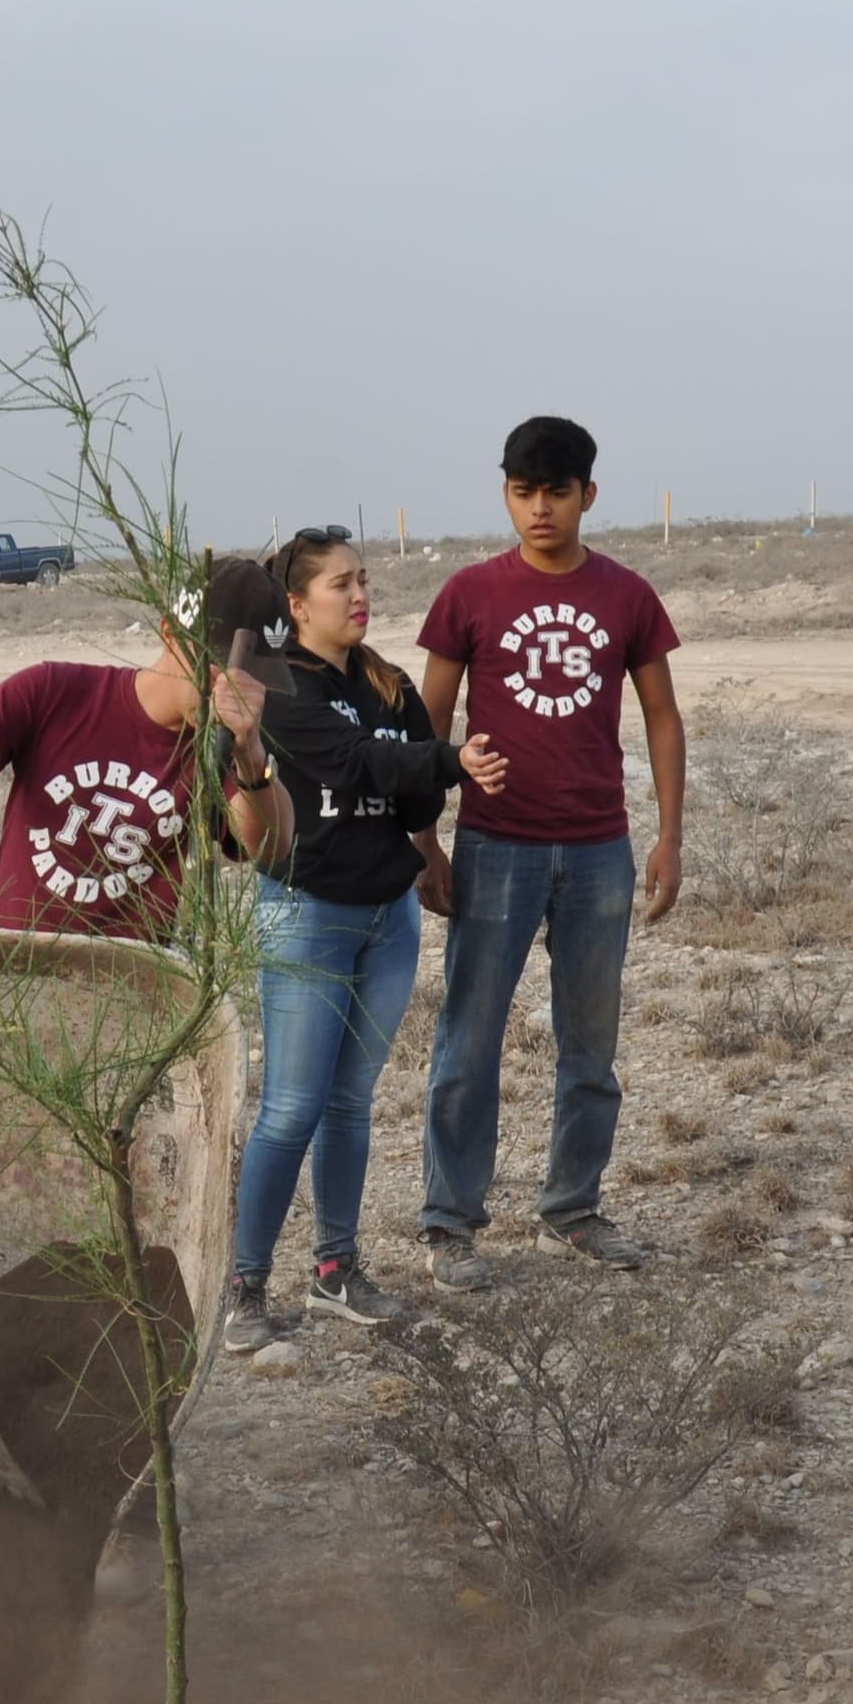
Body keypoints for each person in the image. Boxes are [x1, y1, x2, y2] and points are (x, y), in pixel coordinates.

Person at [413, 413, 687, 1286]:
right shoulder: (467, 595)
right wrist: (424, 839)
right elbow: (430, 725)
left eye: (557, 493)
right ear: (506, 494)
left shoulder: (628, 597)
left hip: (600, 848)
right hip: (496, 847)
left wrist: (670, 835)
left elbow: (661, 715)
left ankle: (572, 1209)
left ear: (588, 497)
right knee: (468, 1042)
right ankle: (450, 1224)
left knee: (591, 1045)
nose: (540, 510)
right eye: (524, 492)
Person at [217, 535, 507, 1352]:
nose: (359, 594)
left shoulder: (388, 681)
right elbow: (356, 764)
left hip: (388, 917)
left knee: (350, 1104)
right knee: (290, 1109)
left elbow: (413, 782)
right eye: (341, 584)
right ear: (295, 606)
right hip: (307, 912)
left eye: (363, 580)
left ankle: (335, 1272)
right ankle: (245, 1286)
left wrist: (430, 829)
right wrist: (452, 758)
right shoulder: (279, 690)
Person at [0, 588, 286, 939]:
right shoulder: (54, 692)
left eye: (251, 684)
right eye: (218, 667)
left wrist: (250, 752)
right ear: (170, 631)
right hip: (23, 975)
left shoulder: (222, 746)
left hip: (141, 994)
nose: (229, 690)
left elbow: (271, 844)